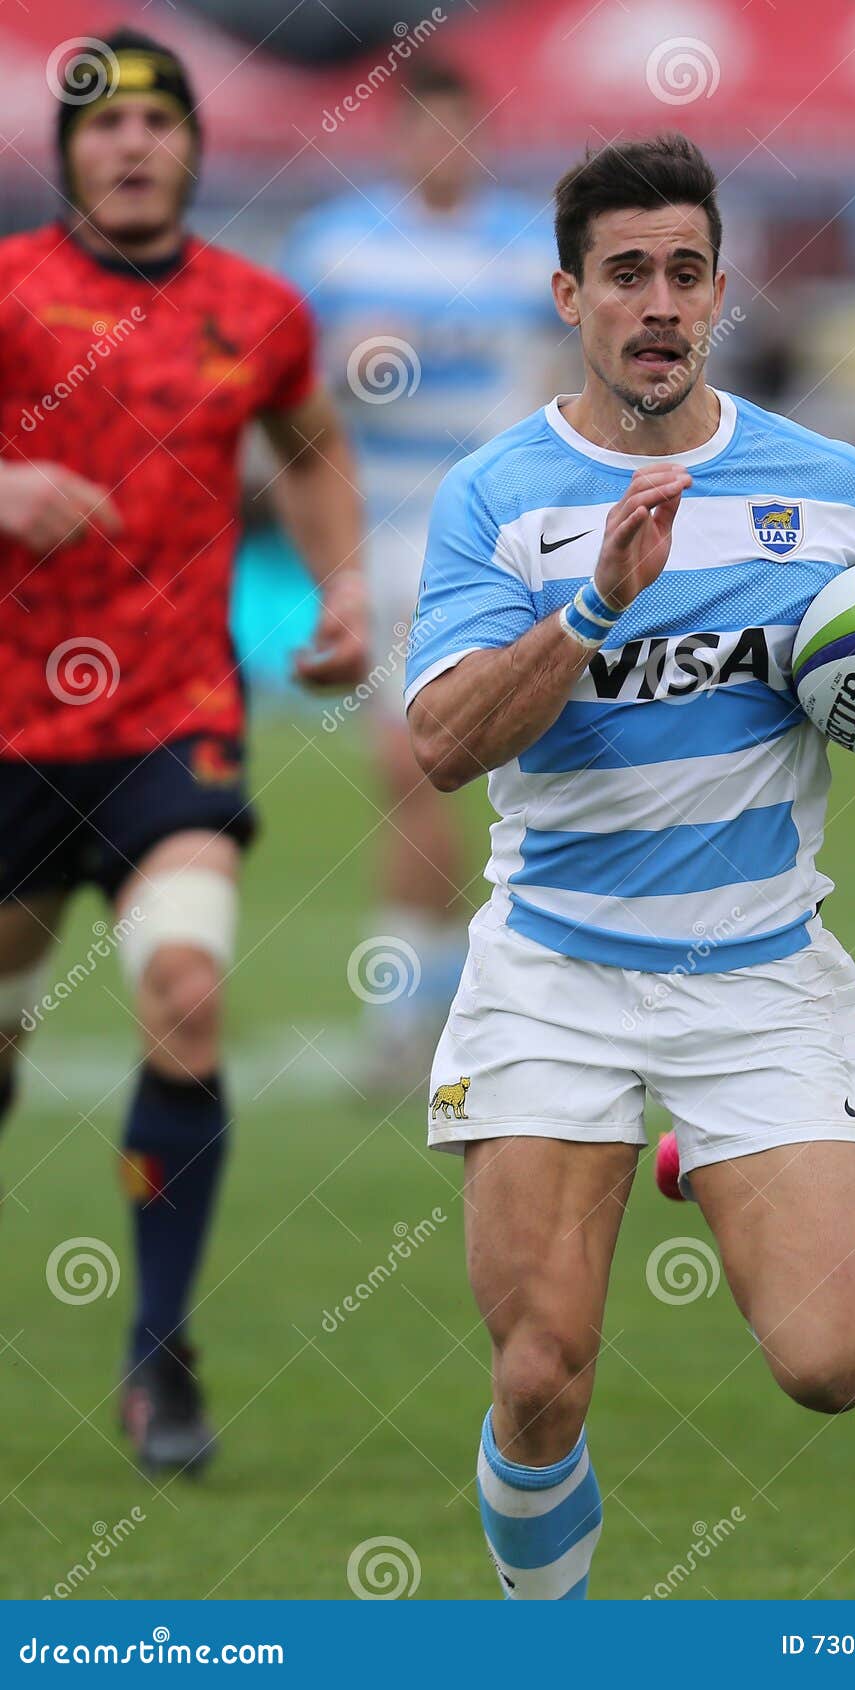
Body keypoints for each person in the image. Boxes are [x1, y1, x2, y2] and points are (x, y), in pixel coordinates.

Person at [405, 133, 855, 1599]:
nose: (658, 303)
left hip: (754, 973)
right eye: (626, 275)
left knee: (831, 1363)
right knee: (542, 1371)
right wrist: (592, 613)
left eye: (684, 272)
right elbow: (438, 743)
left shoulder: (825, 485)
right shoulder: (499, 498)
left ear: (721, 291)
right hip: (555, 969)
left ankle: (690, 1145)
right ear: (569, 295)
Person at [0, 29, 367, 1472]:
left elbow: (314, 445)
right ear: (67, 152)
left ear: (194, 147)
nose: (131, 145)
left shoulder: (258, 309)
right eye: (103, 126)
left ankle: (160, 1357)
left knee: (184, 992)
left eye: (157, 123)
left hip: (176, 723)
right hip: (15, 732)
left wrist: (339, 590)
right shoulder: (12, 292)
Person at [285, 58, 562, 1085]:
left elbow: (571, 380)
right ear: (399, 138)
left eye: (461, 132)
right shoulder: (338, 244)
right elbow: (284, 391)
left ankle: (470, 1002)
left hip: (499, 540)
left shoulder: (530, 248)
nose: (444, 151)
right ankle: (415, 1009)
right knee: (410, 767)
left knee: (516, 784)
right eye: (426, 132)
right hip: (384, 536)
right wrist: (343, 366)